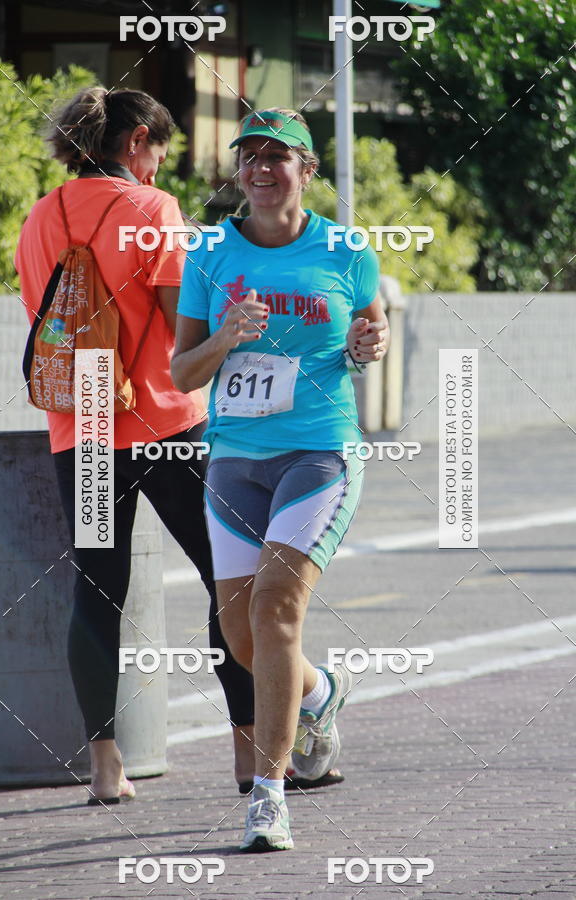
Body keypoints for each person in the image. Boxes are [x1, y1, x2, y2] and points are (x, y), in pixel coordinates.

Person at [14, 86, 255, 803]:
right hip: (169, 425)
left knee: (97, 593)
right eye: (158, 152)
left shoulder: (40, 216)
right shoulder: (154, 209)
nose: (157, 169)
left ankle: (105, 768)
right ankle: (250, 754)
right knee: (229, 577)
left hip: (85, 431)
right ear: (136, 141)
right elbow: (184, 323)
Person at [172, 108, 390, 850]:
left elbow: (368, 337)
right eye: (251, 157)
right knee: (242, 636)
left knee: (275, 609)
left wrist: (366, 346)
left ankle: (269, 796)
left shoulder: (346, 249)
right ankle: (321, 692)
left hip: (319, 453)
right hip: (235, 459)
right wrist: (227, 336)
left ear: (307, 170)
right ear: (240, 170)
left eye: (279, 157)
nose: (262, 169)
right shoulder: (209, 251)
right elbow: (182, 372)